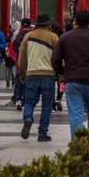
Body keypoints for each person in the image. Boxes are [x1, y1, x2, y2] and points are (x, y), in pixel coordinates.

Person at [52, 10, 89, 138]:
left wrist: (63, 72)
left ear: (75, 21)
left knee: (76, 115)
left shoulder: (65, 38)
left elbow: (55, 60)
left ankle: (77, 144)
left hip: (72, 81)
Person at [17, 13, 59, 142]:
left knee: (29, 102)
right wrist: (61, 75)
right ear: (48, 25)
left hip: (32, 74)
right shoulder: (53, 37)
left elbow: (22, 56)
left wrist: (21, 73)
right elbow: (58, 57)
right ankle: (42, 133)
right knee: (47, 105)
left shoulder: (28, 36)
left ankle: (28, 118)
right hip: (48, 75)